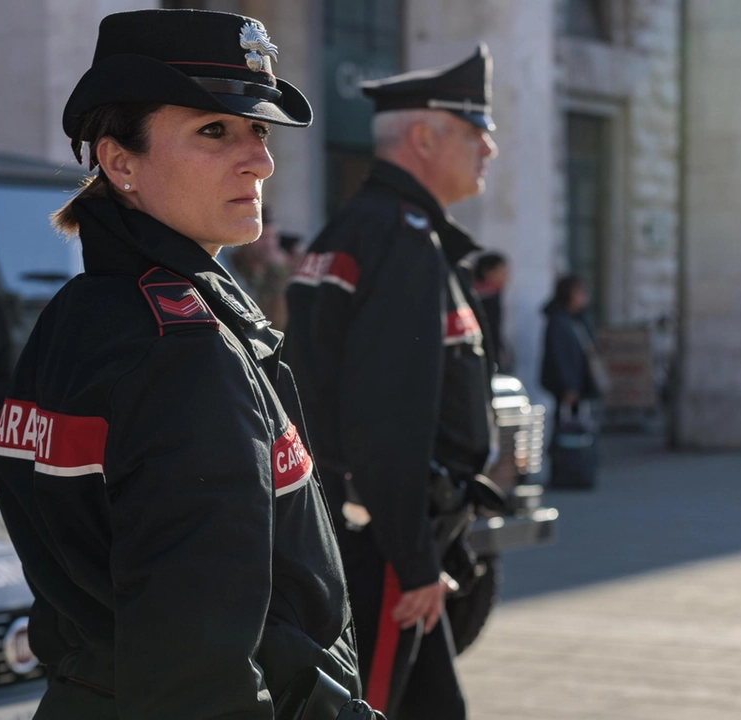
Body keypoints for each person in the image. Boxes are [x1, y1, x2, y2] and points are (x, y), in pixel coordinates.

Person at [0, 10, 374, 719]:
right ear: (120, 161)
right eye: (213, 131)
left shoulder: (82, 312)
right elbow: (195, 659)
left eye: (257, 131)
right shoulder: (181, 351)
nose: (259, 159)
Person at [285, 45, 499, 719]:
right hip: (383, 546)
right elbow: (386, 416)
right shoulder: (400, 239)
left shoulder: (368, 228)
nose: (489, 147)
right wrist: (411, 558)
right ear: (422, 138)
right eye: (474, 131)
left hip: (389, 533)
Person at [540, 275, 605, 425]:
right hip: (566, 384)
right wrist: (568, 386)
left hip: (578, 380)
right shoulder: (559, 321)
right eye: (579, 293)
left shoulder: (578, 318)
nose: (583, 297)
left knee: (577, 421)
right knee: (565, 422)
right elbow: (559, 355)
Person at [224, 202, 293, 328]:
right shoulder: (229, 266)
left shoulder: (277, 269)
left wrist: (281, 274)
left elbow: (282, 323)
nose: (269, 244)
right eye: (263, 238)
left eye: (273, 237)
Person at [473, 251, 511, 371]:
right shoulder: (487, 299)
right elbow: (491, 334)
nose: (506, 278)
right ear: (487, 272)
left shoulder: (478, 294)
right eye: (502, 272)